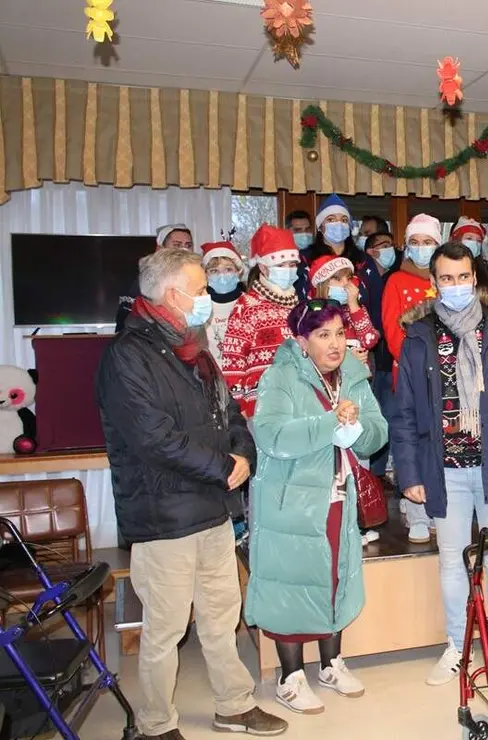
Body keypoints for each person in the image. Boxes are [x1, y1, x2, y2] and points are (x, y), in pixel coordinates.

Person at [95, 248, 287, 740]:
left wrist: (243, 454)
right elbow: (154, 438)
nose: (207, 298)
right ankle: (155, 724)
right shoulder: (127, 355)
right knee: (165, 628)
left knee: (222, 617)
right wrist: (223, 468)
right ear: (172, 294)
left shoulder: (193, 347)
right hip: (164, 514)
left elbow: (230, 412)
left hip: (212, 507)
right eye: (200, 289)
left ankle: (234, 705)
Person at [392, 242, 488, 686]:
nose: (456, 285)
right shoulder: (418, 336)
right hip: (443, 469)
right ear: (434, 282)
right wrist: (410, 473)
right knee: (451, 561)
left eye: (463, 277)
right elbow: (404, 412)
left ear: (475, 279)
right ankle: (456, 647)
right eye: (447, 278)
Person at [245, 300, 388, 714]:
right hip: (291, 503)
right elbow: (271, 435)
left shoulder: (354, 375)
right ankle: (289, 677)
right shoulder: (280, 376)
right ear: (301, 340)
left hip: (339, 497)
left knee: (334, 577)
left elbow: (378, 433)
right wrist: (331, 423)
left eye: (340, 333)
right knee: (291, 584)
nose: (335, 343)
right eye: (323, 335)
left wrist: (358, 428)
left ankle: (330, 664)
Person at [379, 214, 441, 542]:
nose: (421, 248)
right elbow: (393, 330)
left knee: (440, 444)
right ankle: (416, 510)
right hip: (411, 374)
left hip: (445, 377)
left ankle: (437, 506)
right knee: (412, 442)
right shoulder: (396, 281)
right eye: (415, 242)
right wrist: (419, 362)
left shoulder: (445, 278)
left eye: (428, 242)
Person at [220, 225, 300, 418]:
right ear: (263, 267)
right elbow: (233, 361)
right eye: (281, 265)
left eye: (292, 265)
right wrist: (238, 407)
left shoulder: (300, 306)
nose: (289, 271)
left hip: (299, 399)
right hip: (261, 405)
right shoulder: (246, 306)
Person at [355, 229, 398, 478]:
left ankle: (380, 474)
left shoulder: (394, 277)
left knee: (389, 417)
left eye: (391, 244)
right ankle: (369, 474)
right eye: (384, 245)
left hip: (390, 361)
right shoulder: (362, 280)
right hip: (369, 359)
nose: (390, 249)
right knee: (368, 416)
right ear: (371, 251)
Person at [115, 223, 193, 332]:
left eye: (188, 245)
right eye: (177, 245)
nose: (184, 250)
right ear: (160, 249)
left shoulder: (196, 281)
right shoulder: (143, 282)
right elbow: (124, 326)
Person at [307, 255, 380, 366]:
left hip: (359, 374)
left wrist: (354, 305)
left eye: (349, 278)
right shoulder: (313, 313)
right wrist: (347, 358)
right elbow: (316, 353)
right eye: (338, 279)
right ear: (323, 284)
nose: (346, 284)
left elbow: (370, 341)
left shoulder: (356, 309)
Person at [296, 195, 364, 299]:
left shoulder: (363, 259)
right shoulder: (304, 258)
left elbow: (375, 298)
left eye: (344, 220)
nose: (339, 224)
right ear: (320, 227)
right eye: (331, 219)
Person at [200, 240, 246, 368]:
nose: (222, 276)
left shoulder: (251, 305)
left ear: (238, 271)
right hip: (211, 374)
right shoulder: (200, 306)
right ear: (205, 275)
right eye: (214, 271)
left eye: (228, 269)